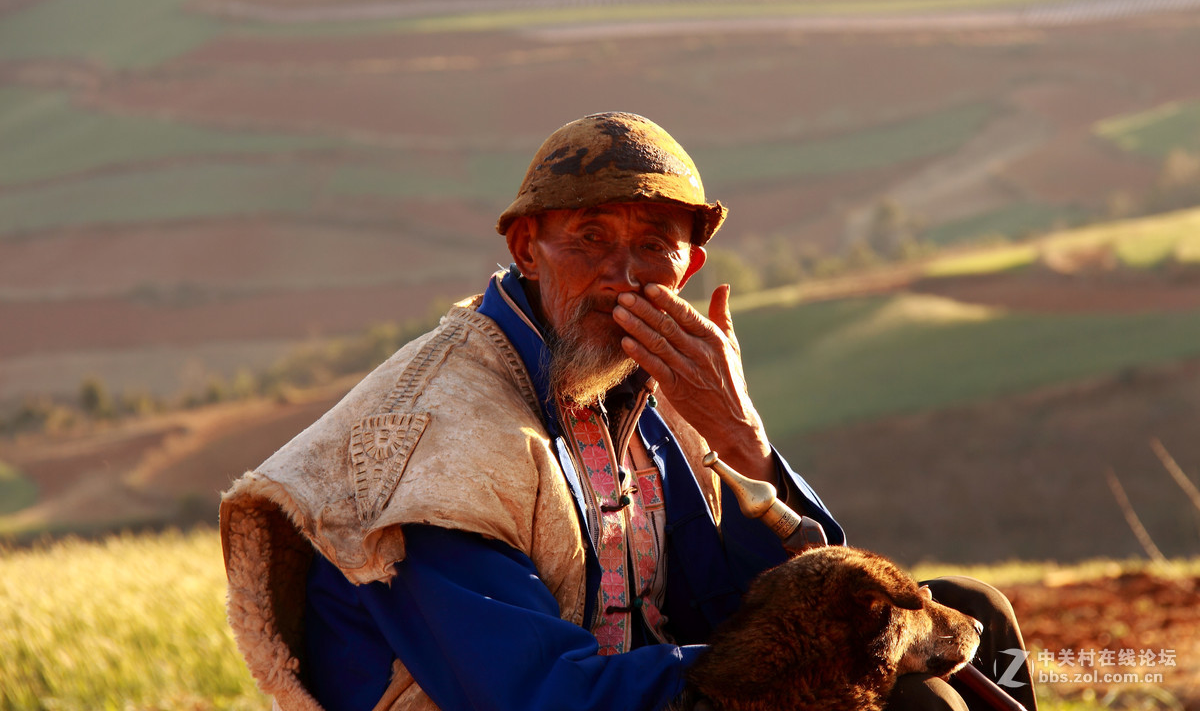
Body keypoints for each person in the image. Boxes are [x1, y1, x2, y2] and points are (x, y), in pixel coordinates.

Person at [220, 112, 1036, 711]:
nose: (622, 273)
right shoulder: (437, 443)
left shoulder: (645, 386)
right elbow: (531, 693)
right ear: (525, 247)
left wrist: (740, 438)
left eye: (653, 243)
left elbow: (741, 599)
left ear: (690, 264)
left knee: (978, 617)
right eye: (589, 237)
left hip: (630, 687)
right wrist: (775, 673)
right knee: (912, 703)